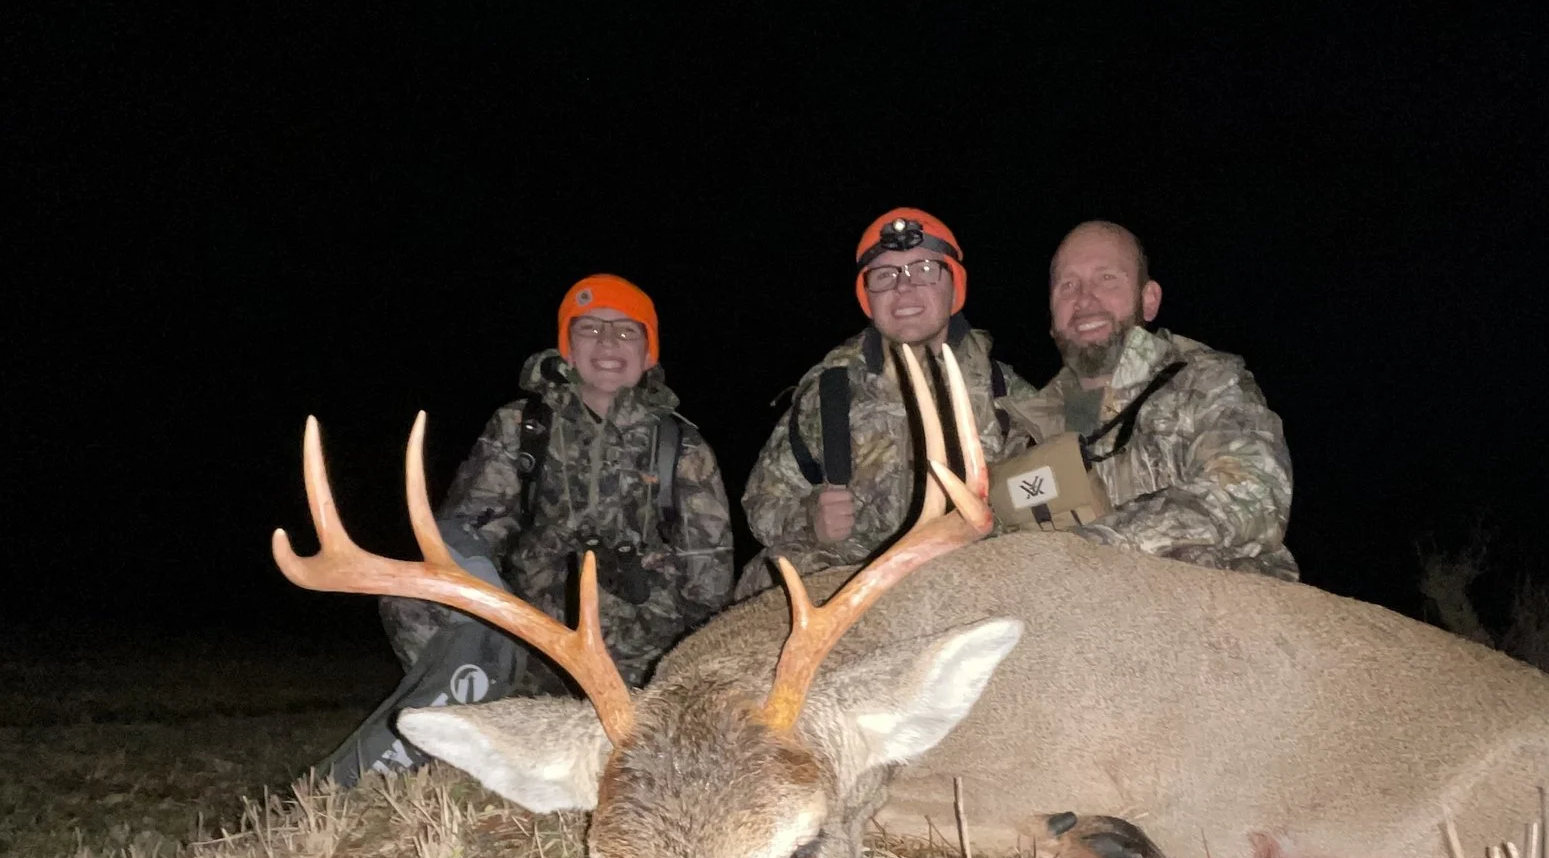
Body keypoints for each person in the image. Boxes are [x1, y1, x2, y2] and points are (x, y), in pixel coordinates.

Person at [319, 274, 734, 785]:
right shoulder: (521, 426)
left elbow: (709, 583)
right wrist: (490, 613)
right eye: (590, 329)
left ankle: (607, 732)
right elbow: (467, 528)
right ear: (567, 345)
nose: (607, 343)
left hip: (637, 664)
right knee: (416, 598)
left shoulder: (683, 448)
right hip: (532, 644)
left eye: (626, 332)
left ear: (649, 353)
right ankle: (464, 715)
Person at [737, 208, 1033, 596]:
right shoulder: (828, 394)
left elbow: (1045, 498)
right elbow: (761, 501)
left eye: (925, 269)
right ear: (868, 298)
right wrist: (810, 518)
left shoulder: (1005, 393)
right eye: (884, 275)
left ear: (955, 288)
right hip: (854, 584)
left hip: (965, 580)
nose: (903, 288)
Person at [994, 220, 1297, 579]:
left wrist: (1085, 550)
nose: (1084, 300)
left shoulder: (1206, 381)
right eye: (1068, 285)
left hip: (1211, 618)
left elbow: (1254, 495)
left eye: (1107, 278)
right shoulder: (1020, 430)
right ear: (1051, 314)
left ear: (1149, 300)